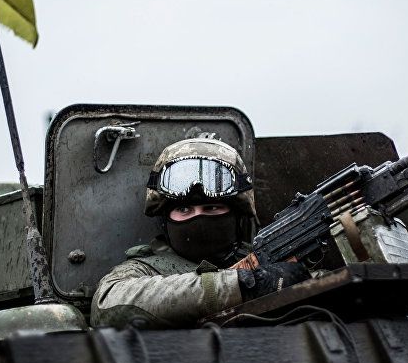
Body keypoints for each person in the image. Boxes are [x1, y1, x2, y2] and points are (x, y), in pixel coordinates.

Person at [91, 137, 312, 328]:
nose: (198, 219)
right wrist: (241, 286)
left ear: (236, 215)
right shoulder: (144, 269)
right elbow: (107, 305)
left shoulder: (264, 260)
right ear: (165, 220)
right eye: (184, 209)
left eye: (212, 208)